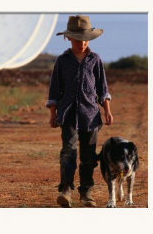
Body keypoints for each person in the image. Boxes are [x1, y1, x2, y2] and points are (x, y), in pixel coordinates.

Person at [45, 15, 113, 208]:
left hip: (91, 116)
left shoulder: (95, 60)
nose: (82, 44)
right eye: (77, 40)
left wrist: (107, 111)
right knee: (68, 152)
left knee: (89, 156)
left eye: (85, 40)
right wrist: (52, 113)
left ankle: (86, 193)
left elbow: (102, 89)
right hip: (67, 114)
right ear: (68, 39)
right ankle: (66, 190)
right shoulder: (62, 61)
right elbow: (54, 90)